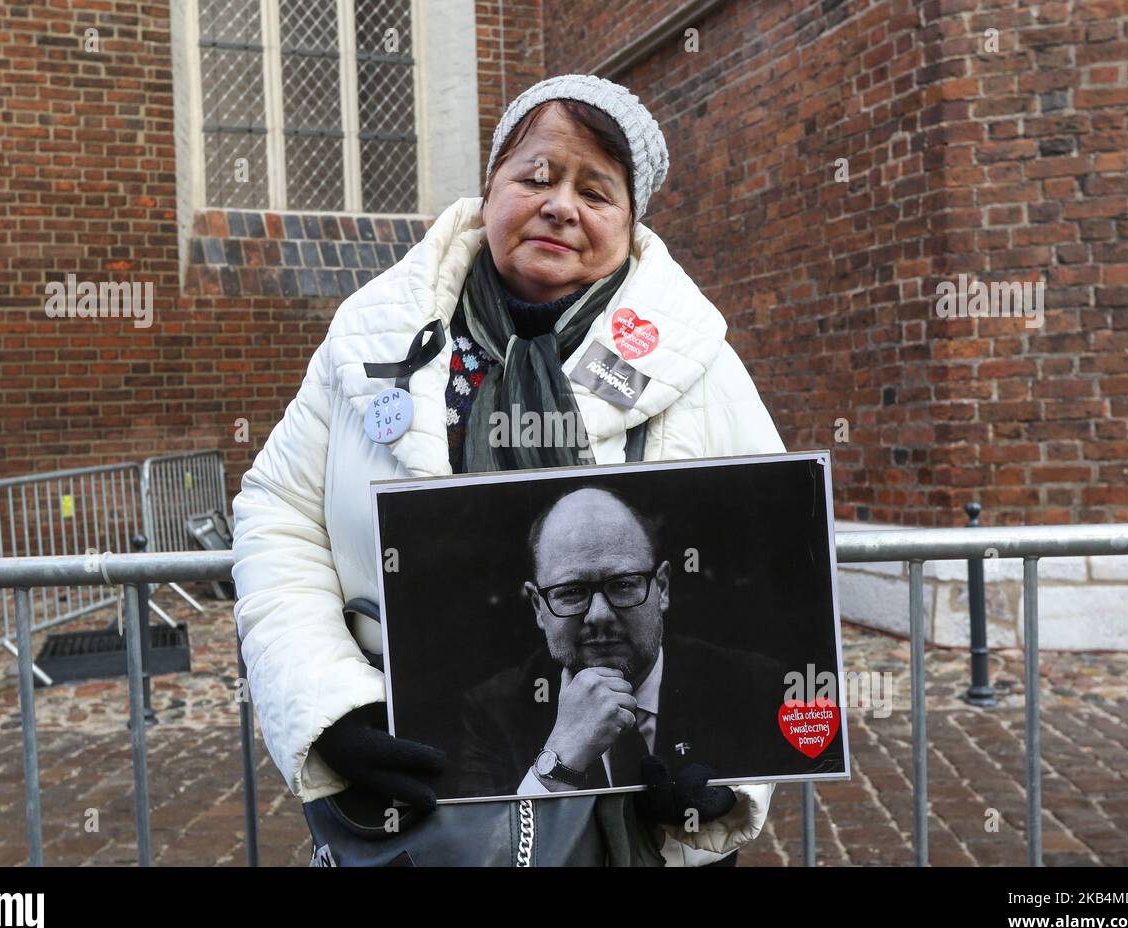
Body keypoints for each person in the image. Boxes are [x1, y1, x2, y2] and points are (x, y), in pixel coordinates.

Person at [231, 73, 788, 866]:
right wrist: (330, 710)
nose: (560, 204)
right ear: (489, 190)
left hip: (638, 823)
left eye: (596, 191)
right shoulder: (369, 339)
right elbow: (277, 517)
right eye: (536, 176)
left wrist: (724, 761)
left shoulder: (699, 364)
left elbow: (770, 547)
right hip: (417, 783)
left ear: (631, 227)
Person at [457, 486, 812, 800]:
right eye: (571, 592)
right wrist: (559, 761)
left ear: (663, 588)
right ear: (538, 607)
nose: (599, 615)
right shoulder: (493, 711)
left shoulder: (751, 686)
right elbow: (492, 852)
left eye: (623, 584)